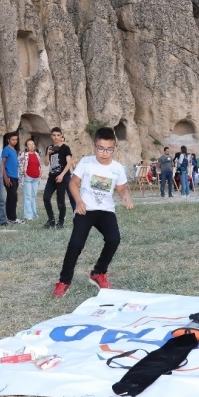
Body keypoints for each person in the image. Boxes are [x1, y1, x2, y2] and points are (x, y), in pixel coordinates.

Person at [53, 127, 133, 298]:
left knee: (114, 239)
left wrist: (126, 196)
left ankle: (98, 273)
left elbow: (121, 188)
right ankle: (63, 281)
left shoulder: (117, 168)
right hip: (86, 209)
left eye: (109, 149)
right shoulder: (86, 163)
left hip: (106, 210)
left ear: (114, 148)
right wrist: (79, 201)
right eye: (100, 148)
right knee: (75, 244)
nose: (104, 153)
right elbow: (73, 183)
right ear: (94, 146)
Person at [42, 127, 72, 229]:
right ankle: (51, 220)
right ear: (51, 136)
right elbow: (46, 164)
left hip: (61, 177)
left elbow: (69, 163)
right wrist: (47, 154)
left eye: (58, 135)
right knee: (46, 197)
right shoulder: (49, 148)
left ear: (61, 136)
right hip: (51, 177)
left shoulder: (65, 148)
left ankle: (61, 221)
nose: (56, 137)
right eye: (54, 135)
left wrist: (62, 175)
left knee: (60, 201)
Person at [1, 133, 23, 224]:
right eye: (13, 139)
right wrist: (5, 176)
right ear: (8, 140)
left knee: (12, 197)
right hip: (8, 177)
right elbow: (2, 163)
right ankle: (12, 218)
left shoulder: (14, 150)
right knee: (12, 197)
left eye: (16, 140)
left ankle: (11, 217)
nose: (14, 141)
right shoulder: (6, 149)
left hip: (15, 177)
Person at [19, 138, 42, 221]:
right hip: (28, 178)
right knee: (28, 197)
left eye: (33, 144)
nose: (32, 146)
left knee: (33, 196)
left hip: (36, 178)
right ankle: (28, 215)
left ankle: (34, 214)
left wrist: (40, 172)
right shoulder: (24, 154)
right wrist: (24, 173)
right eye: (30, 144)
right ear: (26, 146)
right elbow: (20, 165)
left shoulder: (37, 154)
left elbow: (39, 165)